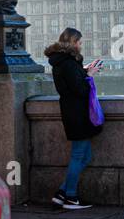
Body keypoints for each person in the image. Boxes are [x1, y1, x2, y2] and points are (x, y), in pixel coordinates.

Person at [44, 27, 104, 209]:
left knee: (84, 156)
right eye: (79, 42)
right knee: (79, 155)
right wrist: (90, 76)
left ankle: (62, 193)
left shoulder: (63, 62)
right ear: (72, 43)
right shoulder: (69, 64)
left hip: (72, 112)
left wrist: (85, 71)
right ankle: (70, 197)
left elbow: (72, 82)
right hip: (77, 114)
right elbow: (80, 90)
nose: (80, 45)